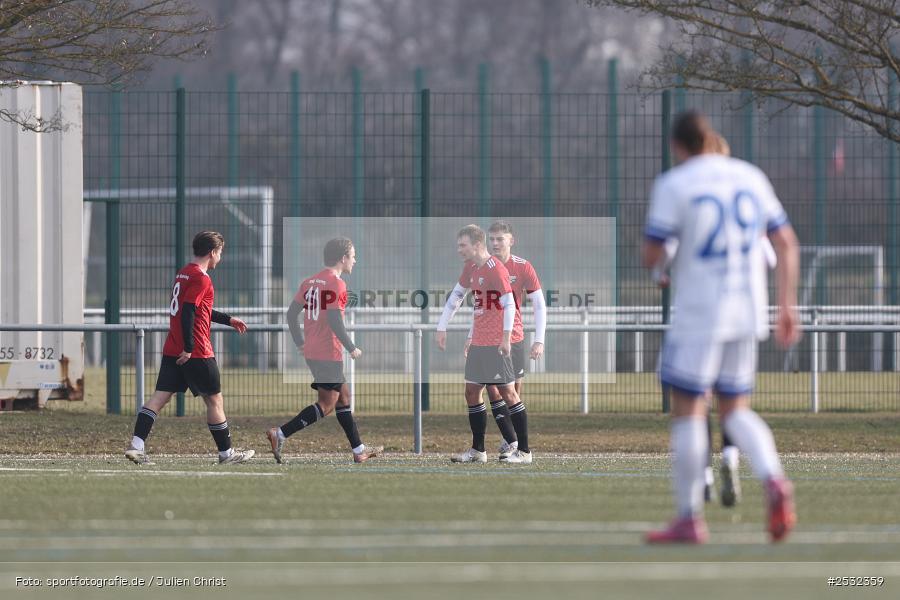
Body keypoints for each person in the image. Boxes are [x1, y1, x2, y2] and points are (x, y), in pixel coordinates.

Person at [642, 111, 800, 543]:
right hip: (748, 308)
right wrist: (787, 305)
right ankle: (774, 479)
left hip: (700, 313)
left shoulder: (675, 183)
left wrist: (668, 256)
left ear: (678, 146)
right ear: (710, 138)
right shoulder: (750, 176)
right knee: (737, 410)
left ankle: (689, 518)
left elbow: (652, 254)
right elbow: (785, 242)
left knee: (689, 410)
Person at [125, 231, 255, 465]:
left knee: (159, 398)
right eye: (220, 253)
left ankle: (136, 446)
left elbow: (198, 309)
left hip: (172, 347)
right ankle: (227, 454)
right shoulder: (202, 278)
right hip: (195, 351)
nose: (220, 259)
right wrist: (189, 347)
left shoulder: (184, 272)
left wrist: (229, 319)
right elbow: (187, 312)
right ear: (212, 252)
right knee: (215, 401)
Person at [436, 221, 546, 463]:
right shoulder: (471, 267)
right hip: (479, 343)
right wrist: (442, 326)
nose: (459, 249)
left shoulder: (496, 268)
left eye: (462, 245)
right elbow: (457, 297)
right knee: (472, 391)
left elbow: (509, 303)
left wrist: (506, 337)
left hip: (497, 343)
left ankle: (523, 450)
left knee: (508, 392)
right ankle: (478, 450)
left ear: (476, 245)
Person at [266, 237, 382, 464]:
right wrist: (351, 347)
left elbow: (291, 315)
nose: (355, 261)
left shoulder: (309, 281)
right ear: (342, 258)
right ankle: (279, 433)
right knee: (327, 404)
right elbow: (334, 319)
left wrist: (301, 342)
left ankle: (359, 450)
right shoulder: (336, 284)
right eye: (353, 255)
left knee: (343, 397)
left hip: (313, 351)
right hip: (328, 352)